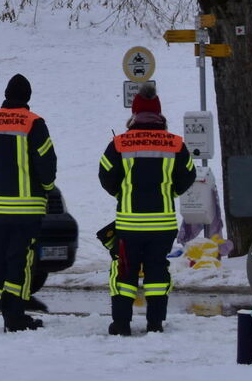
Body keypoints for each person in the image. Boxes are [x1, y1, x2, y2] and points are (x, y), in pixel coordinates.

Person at [99, 84, 196, 336]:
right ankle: (155, 323)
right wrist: (170, 192)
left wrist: (121, 193)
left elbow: (105, 175)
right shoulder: (175, 143)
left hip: (130, 224)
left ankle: (121, 324)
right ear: (159, 114)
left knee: (124, 271)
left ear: (134, 114)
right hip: (162, 224)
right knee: (156, 271)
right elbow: (188, 176)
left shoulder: (120, 143)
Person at [0, 74, 56, 331]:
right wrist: (48, 188)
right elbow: (46, 162)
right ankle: (16, 316)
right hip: (27, 208)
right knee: (22, 262)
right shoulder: (34, 123)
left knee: (3, 260)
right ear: (27, 97)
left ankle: (10, 312)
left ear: (6, 94)